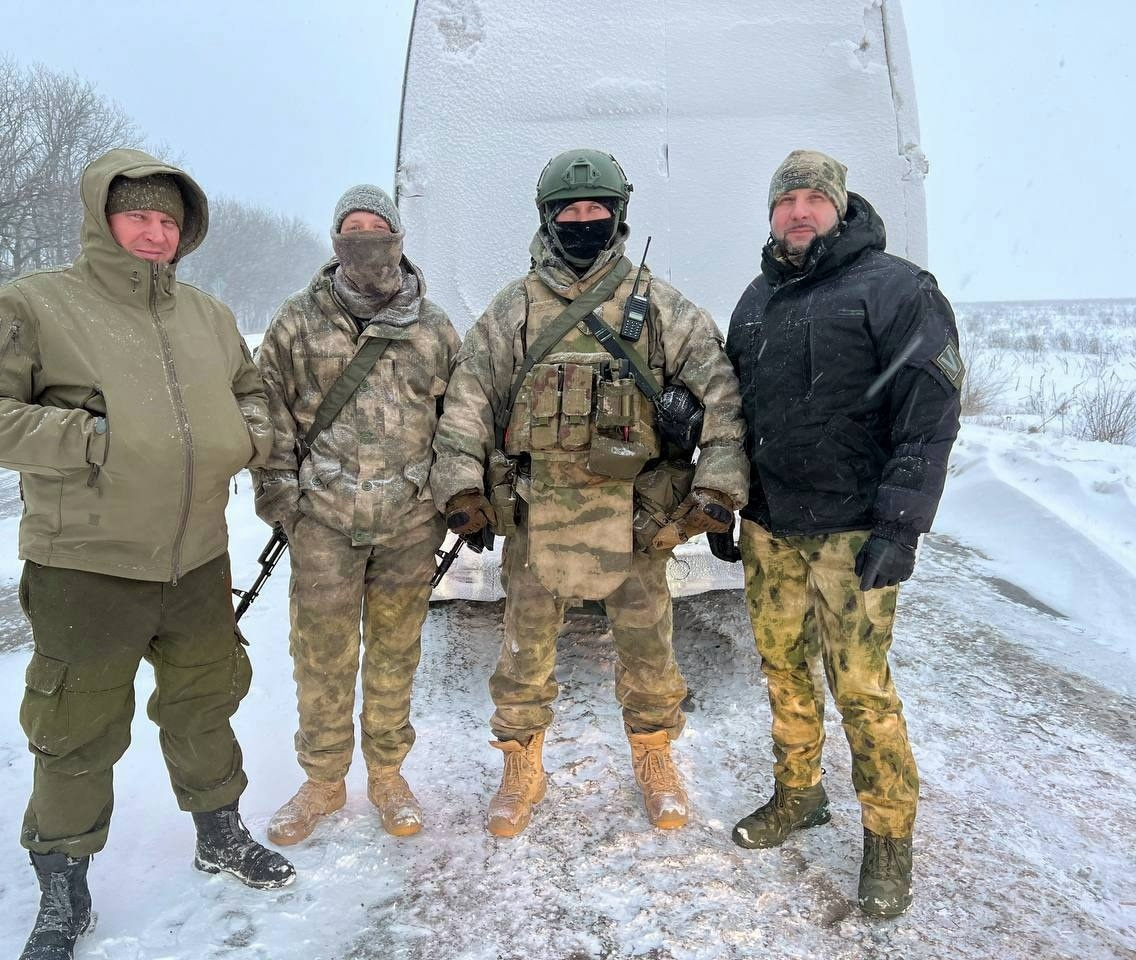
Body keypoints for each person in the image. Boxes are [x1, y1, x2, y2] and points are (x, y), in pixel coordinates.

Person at [0, 148, 295, 960]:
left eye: (169, 219)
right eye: (139, 215)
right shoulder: (36, 305)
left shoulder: (207, 314)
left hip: (197, 559)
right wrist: (85, 437)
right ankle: (63, 886)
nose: (156, 232)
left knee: (206, 701)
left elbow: (251, 391)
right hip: (86, 566)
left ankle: (219, 833)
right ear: (103, 217)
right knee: (76, 726)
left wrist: (248, 436)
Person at [430, 148, 748, 837]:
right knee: (522, 652)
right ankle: (521, 763)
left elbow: (721, 392)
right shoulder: (515, 308)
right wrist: (460, 488)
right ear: (548, 219)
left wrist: (718, 487)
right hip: (539, 514)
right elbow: (468, 397)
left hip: (636, 516)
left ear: (618, 215)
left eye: (595, 209)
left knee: (649, 649)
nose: (583, 221)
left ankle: (654, 754)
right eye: (569, 211)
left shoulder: (659, 306)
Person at [715, 149, 962, 918]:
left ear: (840, 206)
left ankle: (889, 837)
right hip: (771, 531)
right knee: (783, 671)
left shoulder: (897, 289)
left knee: (861, 689)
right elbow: (735, 414)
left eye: (813, 200)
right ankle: (800, 794)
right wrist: (726, 502)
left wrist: (900, 525)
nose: (799, 212)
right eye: (785, 201)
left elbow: (929, 418)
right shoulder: (756, 300)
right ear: (771, 214)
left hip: (851, 538)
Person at [252, 185, 459, 845]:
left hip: (409, 522)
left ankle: (388, 775)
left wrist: (452, 496)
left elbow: (461, 418)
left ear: (397, 237)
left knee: (396, 652)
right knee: (321, 657)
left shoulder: (432, 326)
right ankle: (322, 780)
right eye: (352, 227)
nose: (364, 237)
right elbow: (263, 409)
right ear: (336, 239)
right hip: (323, 522)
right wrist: (281, 496)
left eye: (376, 226)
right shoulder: (297, 321)